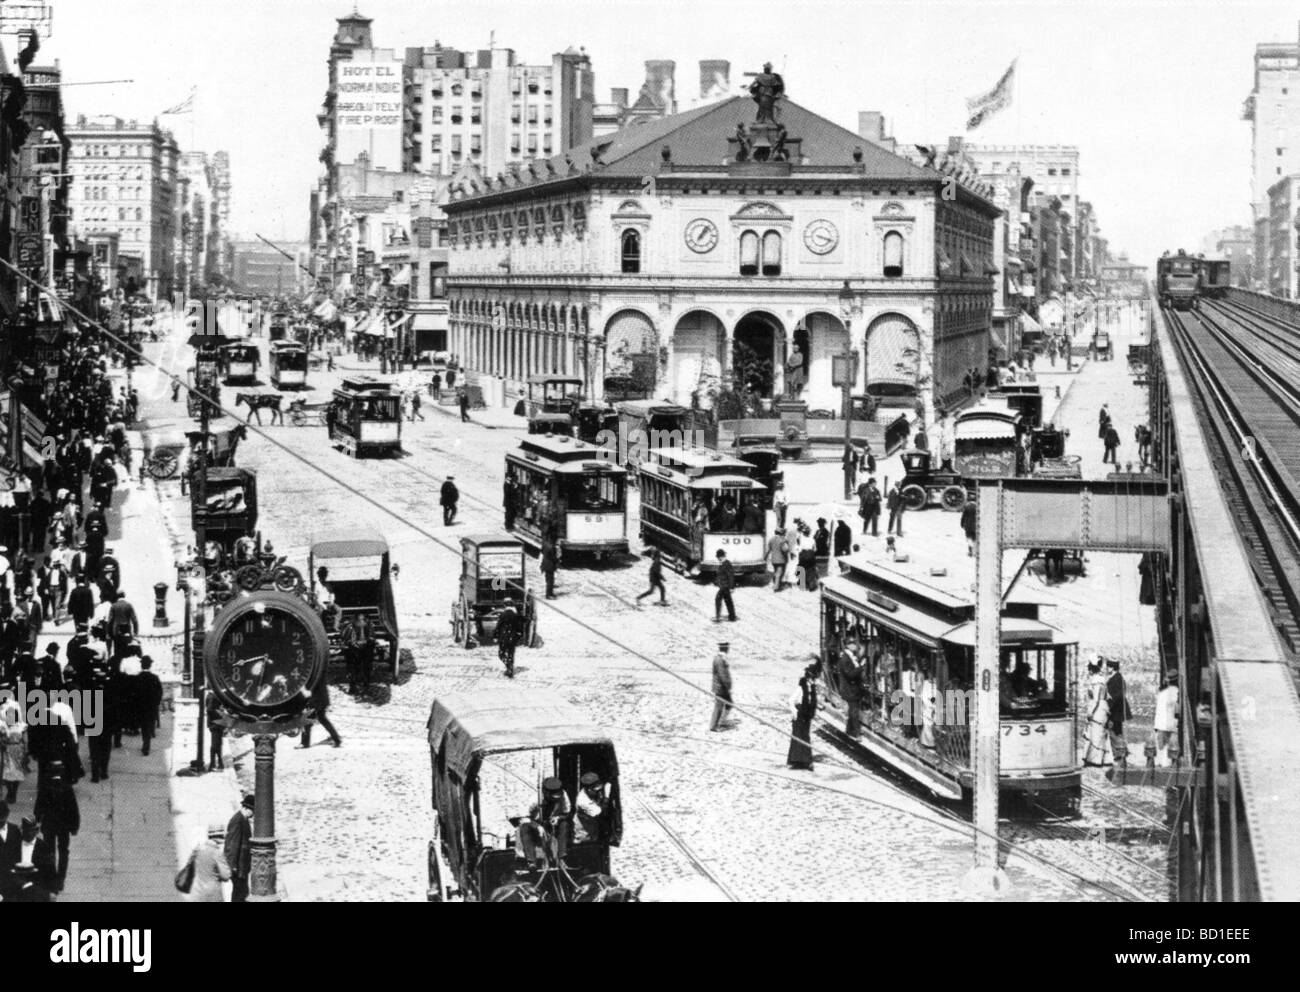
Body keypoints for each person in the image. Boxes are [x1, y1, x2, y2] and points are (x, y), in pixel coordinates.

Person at [33, 759, 78, 892]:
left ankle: (51, 880)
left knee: (49, 852)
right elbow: (73, 808)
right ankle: (60, 880)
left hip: (49, 825)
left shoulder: (45, 786)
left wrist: (37, 819)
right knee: (64, 852)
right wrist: (74, 826)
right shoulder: (67, 787)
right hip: (63, 826)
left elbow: (38, 806)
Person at [184, 820, 233, 902]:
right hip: (212, 894)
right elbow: (226, 875)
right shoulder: (216, 853)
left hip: (196, 893)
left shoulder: (197, 850)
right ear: (219, 836)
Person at [787, 663, 818, 769]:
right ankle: (798, 761)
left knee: (805, 737)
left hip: (807, 715)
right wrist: (794, 712)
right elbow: (791, 700)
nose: (814, 681)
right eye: (812, 678)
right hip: (799, 715)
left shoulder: (812, 689)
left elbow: (812, 702)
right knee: (798, 737)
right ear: (809, 678)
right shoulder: (801, 688)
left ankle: (804, 761)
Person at [224, 794, 254, 903]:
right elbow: (232, 844)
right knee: (240, 894)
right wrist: (232, 866)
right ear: (246, 808)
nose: (253, 814)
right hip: (237, 868)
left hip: (241, 867)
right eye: (253, 810)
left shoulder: (243, 819)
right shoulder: (238, 820)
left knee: (241, 893)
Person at [1082, 661, 1112, 767]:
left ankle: (1096, 760)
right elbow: (1107, 696)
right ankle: (1105, 759)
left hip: (1097, 708)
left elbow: (1095, 699)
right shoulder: (1102, 679)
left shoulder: (1096, 681)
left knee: (1096, 733)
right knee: (1102, 733)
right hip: (1104, 707)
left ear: (1091, 669)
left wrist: (1090, 712)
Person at [298, 679, 342, 748]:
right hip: (321, 699)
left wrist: (310, 700)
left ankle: (305, 743)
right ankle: (337, 739)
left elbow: (313, 686)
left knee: (309, 719)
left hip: (317, 700)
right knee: (321, 719)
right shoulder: (318, 672)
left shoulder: (315, 674)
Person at [1104, 658, 1132, 766]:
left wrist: (1107, 708)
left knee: (1114, 733)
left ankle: (1120, 756)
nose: (1107, 669)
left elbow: (1115, 697)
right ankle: (1120, 754)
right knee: (1117, 732)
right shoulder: (1118, 678)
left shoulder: (1116, 679)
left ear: (1112, 668)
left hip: (1115, 712)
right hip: (1117, 711)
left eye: (1108, 667)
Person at [342, 611, 377, 696]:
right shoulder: (351, 626)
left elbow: (372, 638)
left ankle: (358, 685)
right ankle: (360, 685)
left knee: (356, 666)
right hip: (359, 647)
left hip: (362, 647)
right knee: (363, 666)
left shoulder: (368, 625)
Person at [573, 771, 610, 843]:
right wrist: (606, 797)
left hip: (593, 828)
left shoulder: (592, 792)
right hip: (584, 834)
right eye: (596, 790)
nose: (599, 792)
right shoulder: (583, 802)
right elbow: (600, 812)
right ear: (588, 789)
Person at [138, 656, 163, 756]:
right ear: (150, 665)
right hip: (152, 705)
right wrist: (156, 702)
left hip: (141, 705)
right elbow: (159, 692)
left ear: (141, 665)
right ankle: (148, 740)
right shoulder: (154, 678)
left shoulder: (138, 677)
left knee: (144, 726)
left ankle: (145, 744)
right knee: (150, 722)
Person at [1154, 672, 1179, 766]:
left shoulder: (1161, 693)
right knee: (1171, 747)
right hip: (1171, 723)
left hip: (1160, 723)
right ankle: (1168, 765)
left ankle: (1161, 764)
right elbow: (1176, 709)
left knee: (1162, 747)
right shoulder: (1177, 692)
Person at [709, 641, 733, 731]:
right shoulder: (720, 659)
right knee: (719, 706)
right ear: (725, 648)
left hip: (722, 687)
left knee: (729, 703)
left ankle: (722, 721)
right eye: (727, 648)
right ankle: (713, 726)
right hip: (720, 687)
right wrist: (728, 685)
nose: (728, 649)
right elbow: (722, 674)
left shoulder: (721, 658)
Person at [496, 604, 522, 678]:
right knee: (511, 653)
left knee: (501, 654)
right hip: (512, 638)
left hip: (503, 637)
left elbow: (499, 625)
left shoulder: (503, 615)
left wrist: (495, 635)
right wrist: (519, 636)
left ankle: (508, 666)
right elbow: (519, 627)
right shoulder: (515, 615)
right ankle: (510, 667)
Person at [713, 549, 737, 622]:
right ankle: (732, 617)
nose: (718, 559)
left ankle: (718, 617)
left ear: (721, 556)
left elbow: (731, 576)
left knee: (718, 599)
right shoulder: (723, 564)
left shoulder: (727, 564)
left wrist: (732, 587)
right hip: (723, 586)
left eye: (718, 557)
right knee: (728, 601)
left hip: (725, 586)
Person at [206, 691, 226, 771]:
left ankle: (219, 763)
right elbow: (209, 710)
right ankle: (212, 764)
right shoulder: (212, 697)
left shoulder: (212, 695)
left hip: (216, 723)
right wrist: (220, 714)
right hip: (216, 723)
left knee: (218, 743)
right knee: (215, 744)